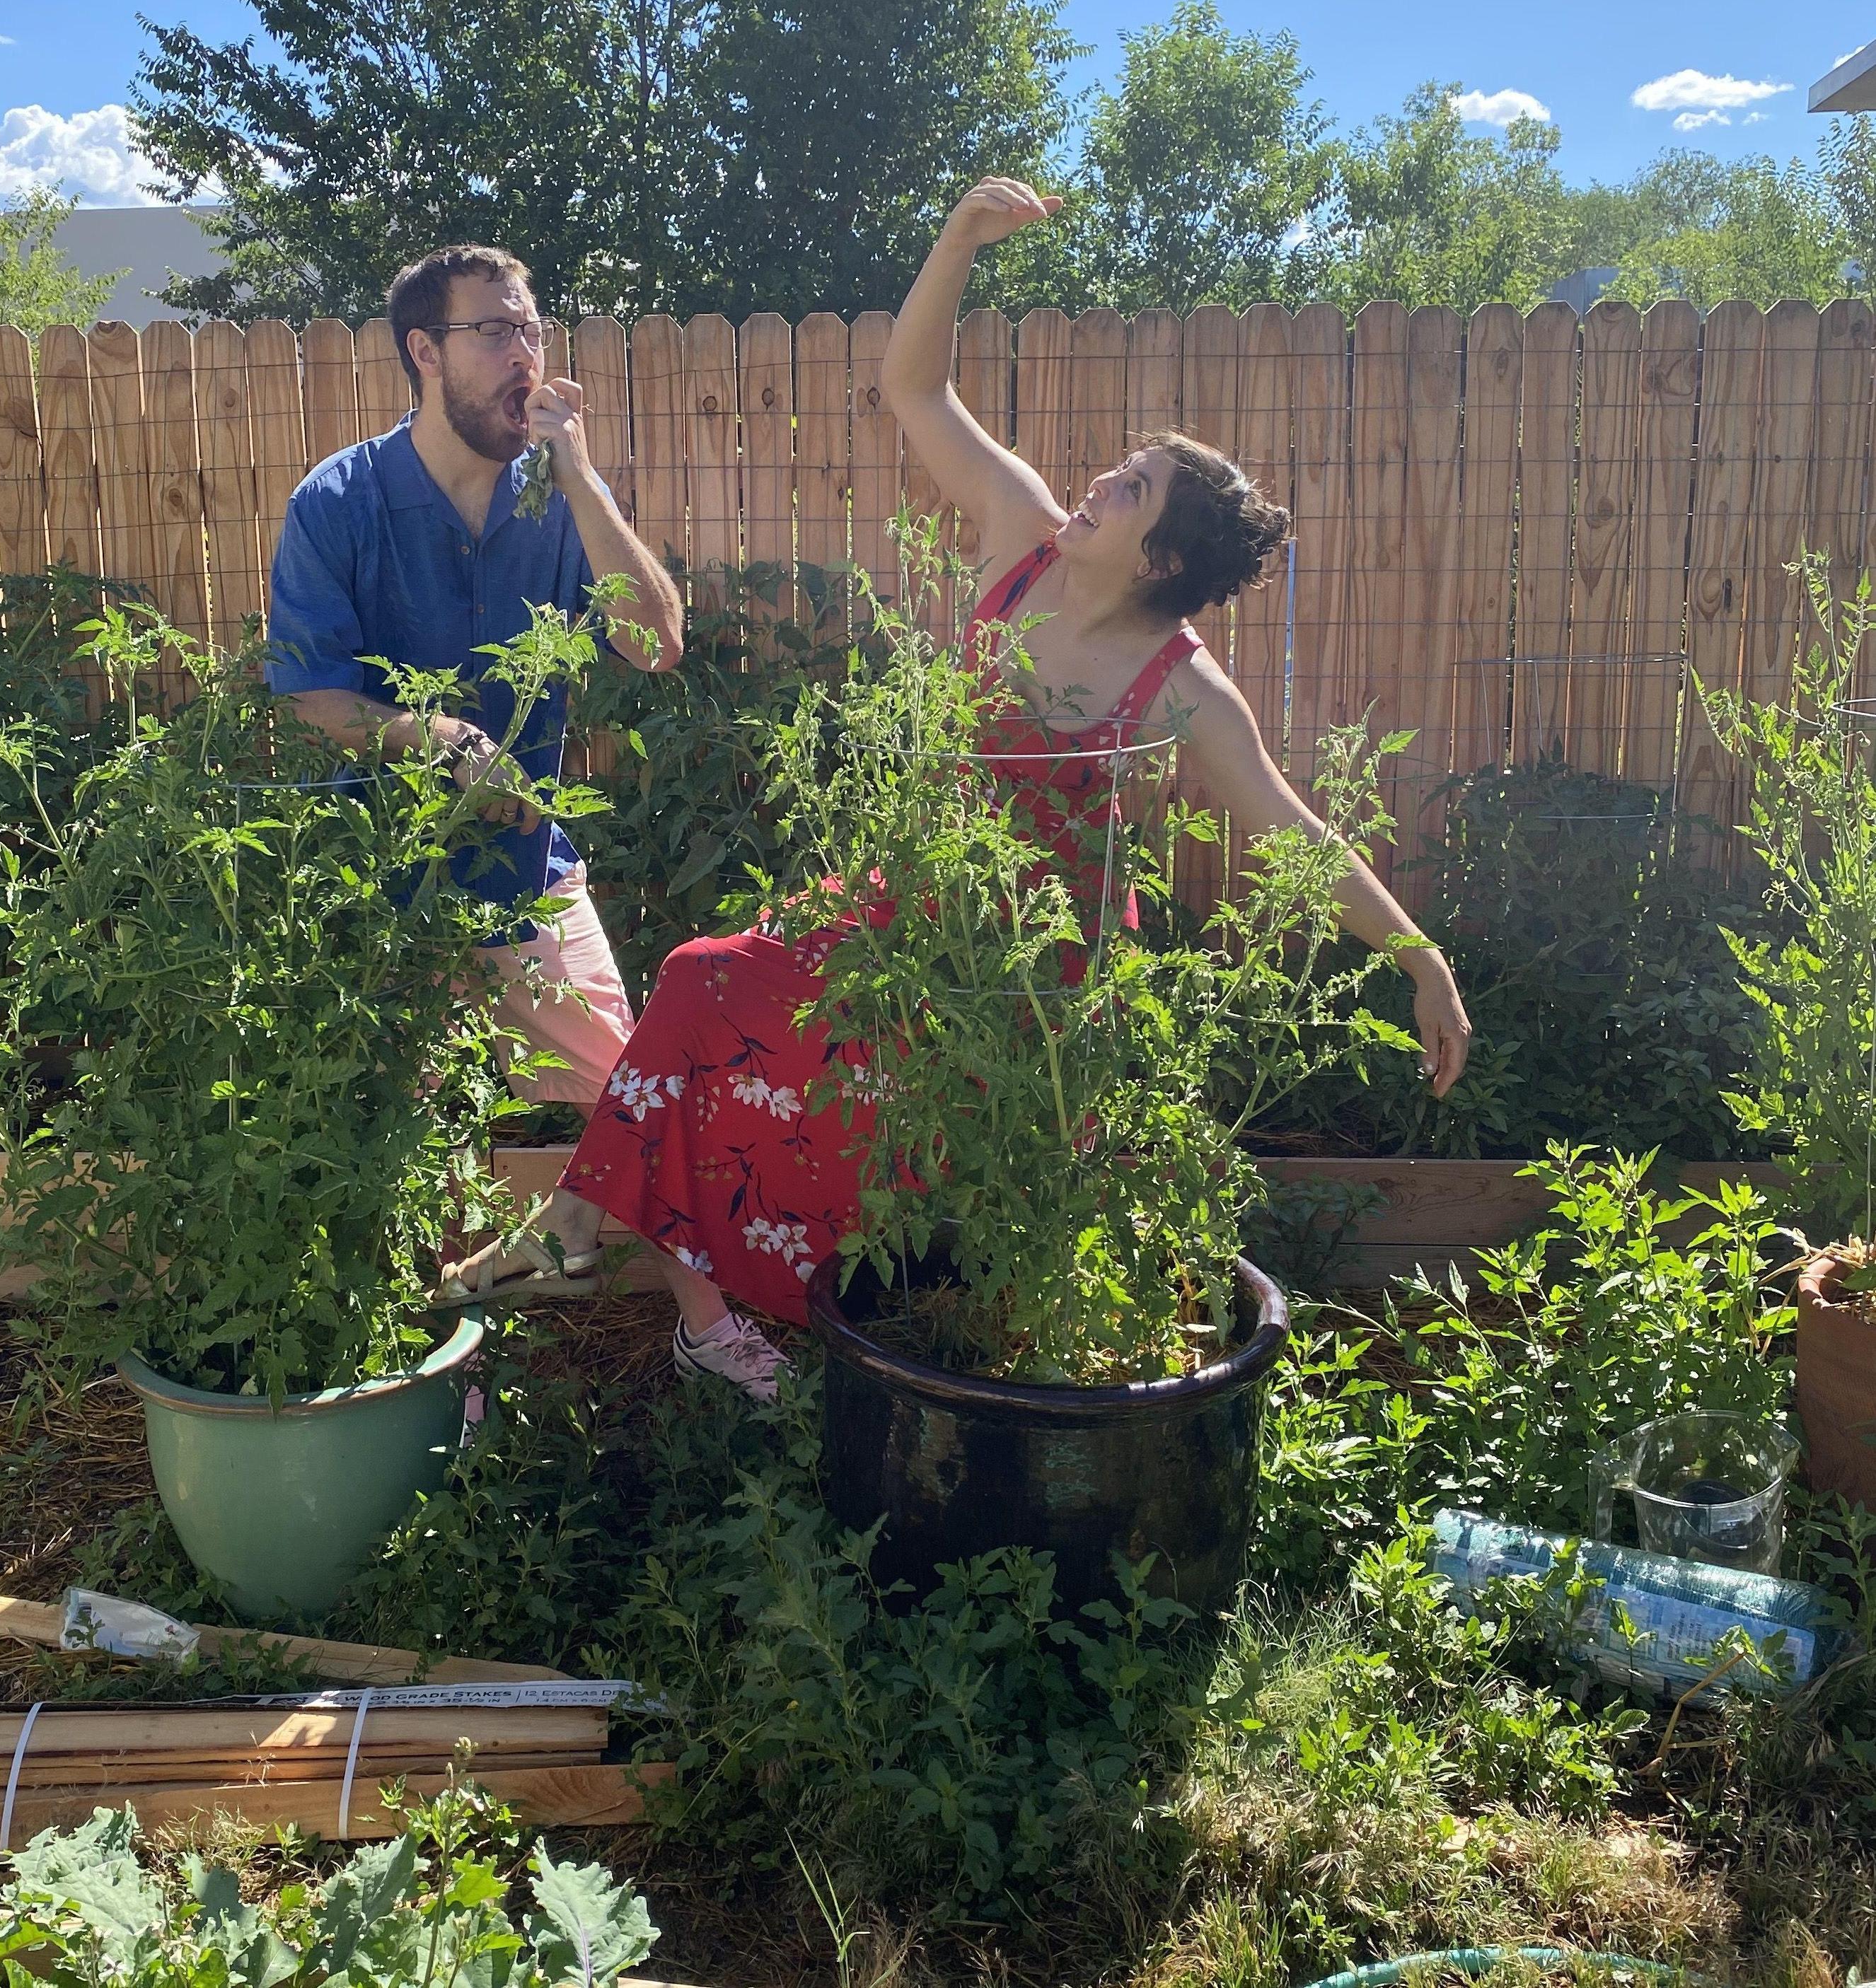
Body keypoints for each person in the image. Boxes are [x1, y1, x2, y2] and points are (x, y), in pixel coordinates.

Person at [449, 180, 1473, 1398]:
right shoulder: (1019, 535)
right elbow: (913, 387)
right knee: (702, 983)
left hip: (1035, 955)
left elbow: (1293, 831)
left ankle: (883, 1338)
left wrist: (1416, 956)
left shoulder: (1178, 683)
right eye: (1119, 466)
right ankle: (620, 1243)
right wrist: (958, 239)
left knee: (929, 1142)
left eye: (1131, 488)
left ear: (1156, 560)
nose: (1098, 481)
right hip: (912, 892)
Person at [267, 244, 685, 1120]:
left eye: (530, 328)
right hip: (379, 888)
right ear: (425, 351)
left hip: (525, 866)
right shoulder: (338, 502)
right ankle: (471, 1263)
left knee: (625, 1125)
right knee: (393, 1156)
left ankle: (556, 1255)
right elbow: (312, 697)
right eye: (493, 331)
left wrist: (579, 478)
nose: (524, 354)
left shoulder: (559, 496)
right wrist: (444, 738)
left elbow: (655, 644)